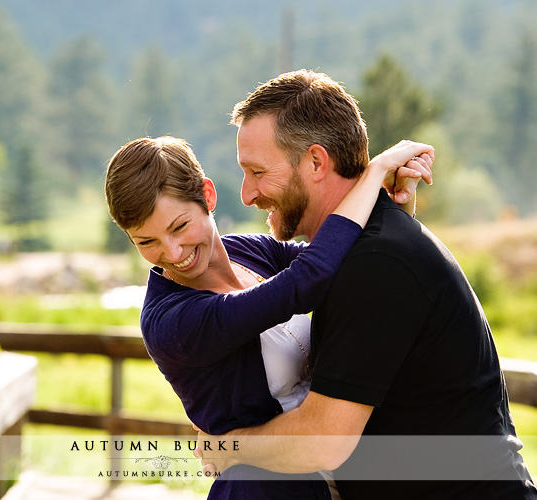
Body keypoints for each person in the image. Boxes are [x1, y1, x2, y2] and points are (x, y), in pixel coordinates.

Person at [195, 69, 537, 500]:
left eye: (258, 172)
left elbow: (324, 440)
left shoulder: (377, 261)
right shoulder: (370, 245)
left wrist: (227, 449)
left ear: (316, 163)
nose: (247, 194)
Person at [104, 134, 433, 499]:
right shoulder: (172, 322)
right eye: (145, 242)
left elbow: (346, 262)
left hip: (348, 473)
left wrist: (398, 203)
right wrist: (374, 174)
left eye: (179, 226)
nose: (172, 251)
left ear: (207, 196)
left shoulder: (246, 251)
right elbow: (308, 279)